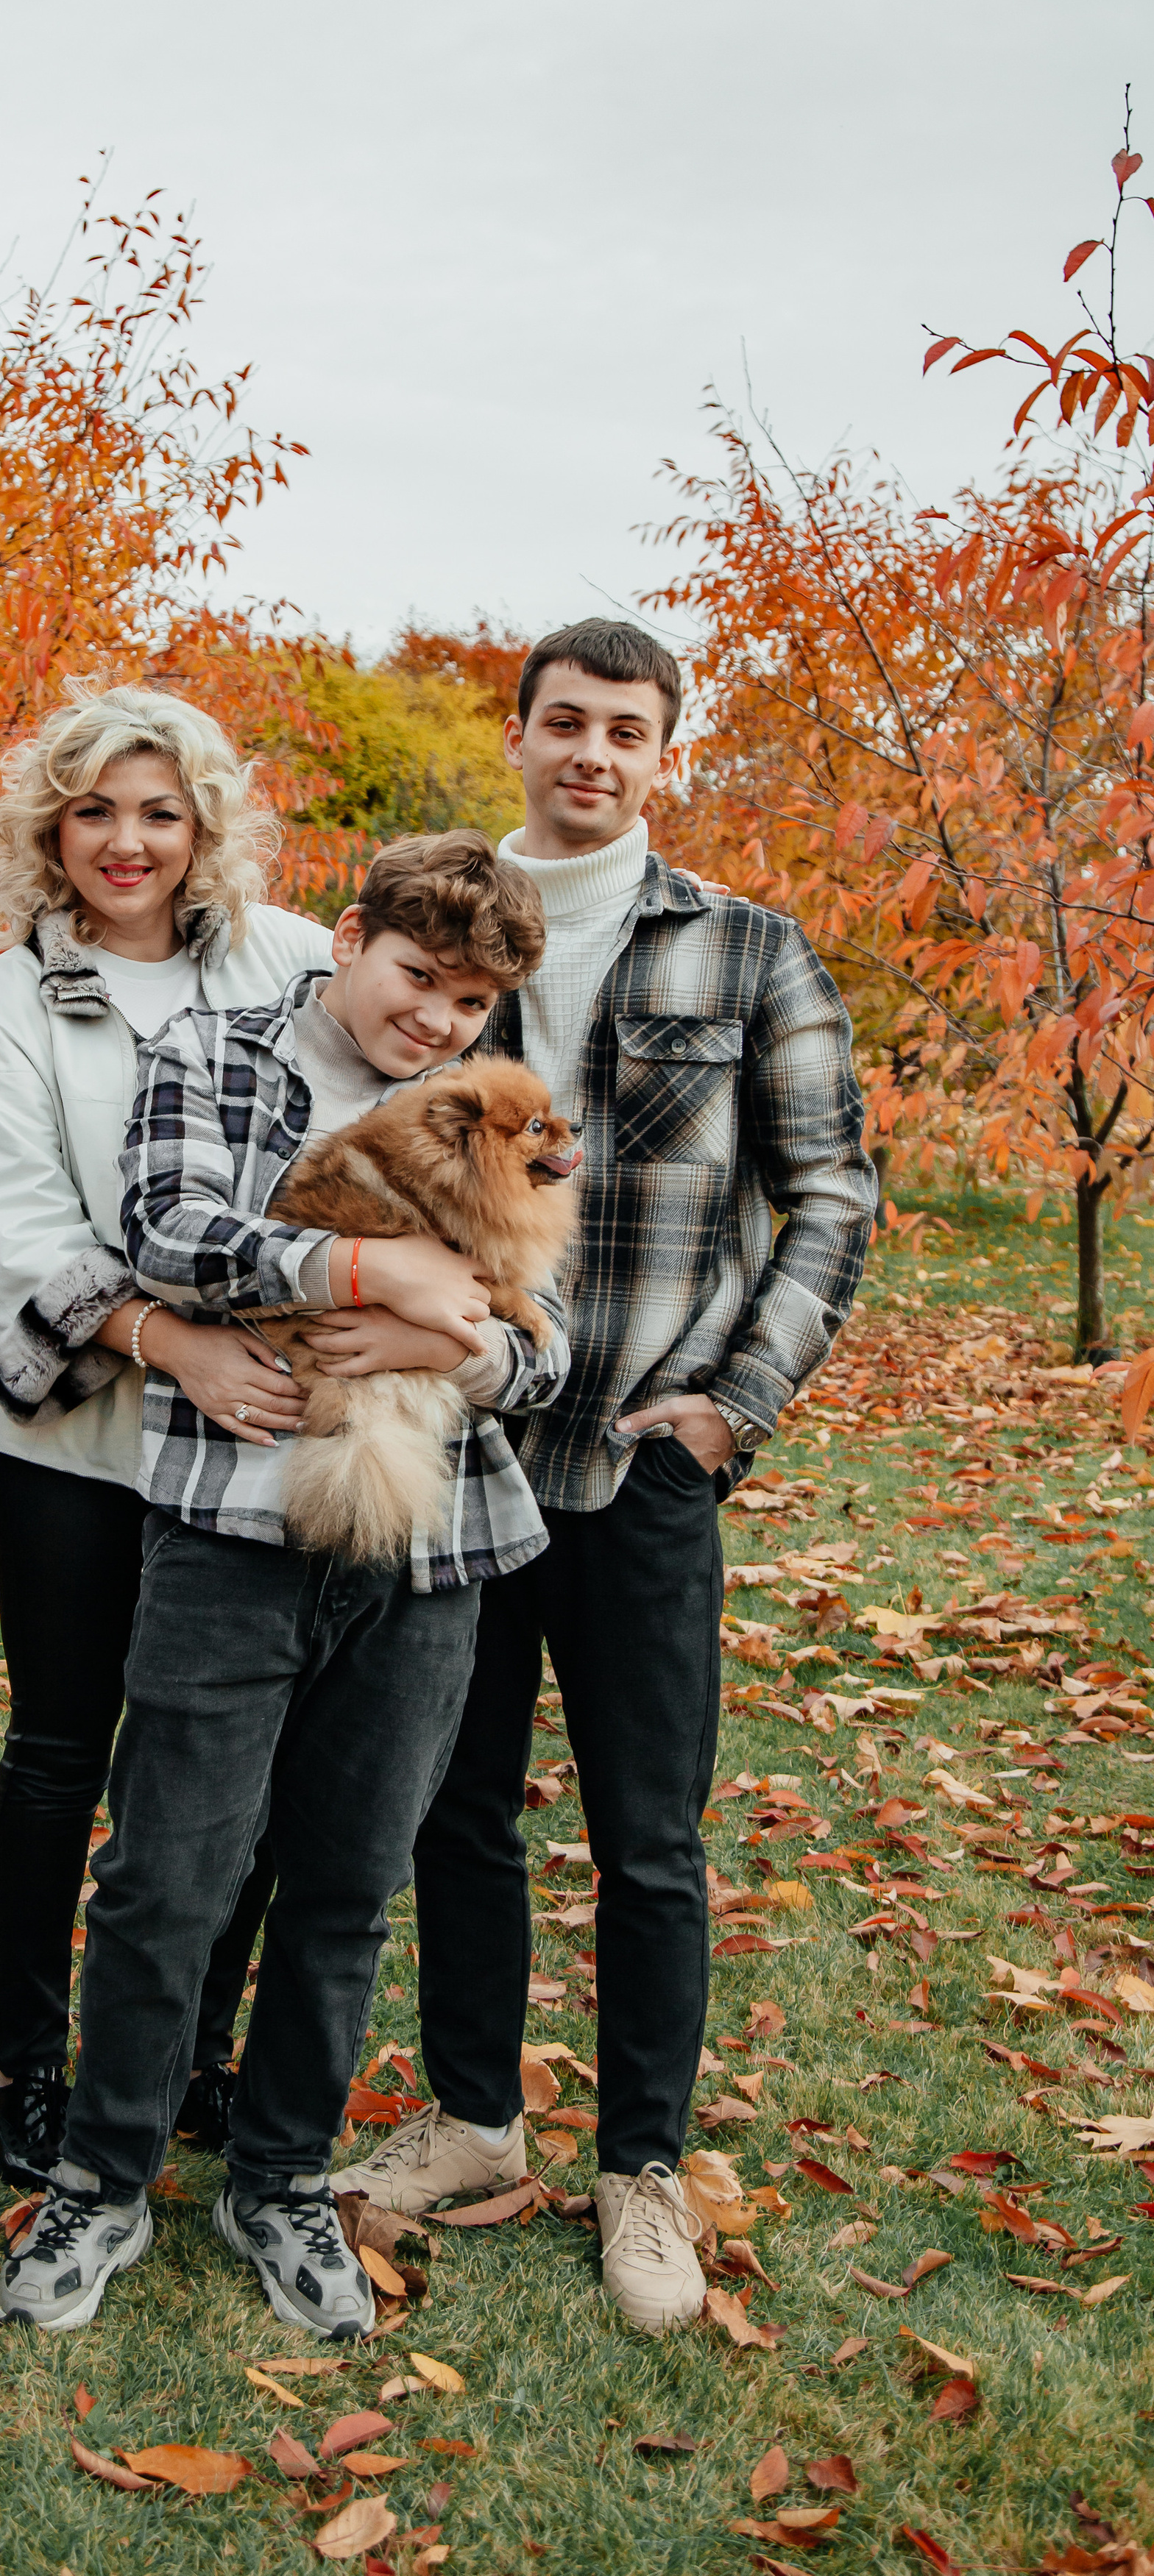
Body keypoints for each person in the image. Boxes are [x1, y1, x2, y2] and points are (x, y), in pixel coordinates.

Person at [330, 619, 877, 2336]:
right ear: (515, 732)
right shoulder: (436, 934)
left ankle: (641, 2165)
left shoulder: (743, 949)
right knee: (454, 1807)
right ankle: (473, 2117)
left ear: (659, 755)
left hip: (641, 1453)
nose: (590, 752)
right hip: (454, 1442)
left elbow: (830, 1193)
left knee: (646, 1835)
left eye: (624, 730)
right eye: (563, 720)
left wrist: (735, 1403)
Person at [0, 830, 570, 2337]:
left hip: (431, 1553)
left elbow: (544, 1350)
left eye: (470, 1004)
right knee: (165, 1877)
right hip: (226, 1533)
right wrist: (370, 1276)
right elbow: (173, 1239)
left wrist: (453, 1342)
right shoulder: (216, 1052)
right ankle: (100, 2178)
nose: (436, 1019)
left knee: (346, 1885)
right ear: (350, 937)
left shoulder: (499, 1113)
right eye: (417, 976)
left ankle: (284, 2178)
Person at [0, 678, 334, 2191]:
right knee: (62, 1749)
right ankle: (31, 2062)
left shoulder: (290, 961)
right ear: (51, 829)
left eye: (160, 813)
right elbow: (20, 1215)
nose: (127, 842)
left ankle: (190, 2052)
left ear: (203, 827)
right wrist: (170, 1337)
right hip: (78, 1437)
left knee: (229, 1759)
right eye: (95, 811)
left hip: (255, 1434)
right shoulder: (8, 995)